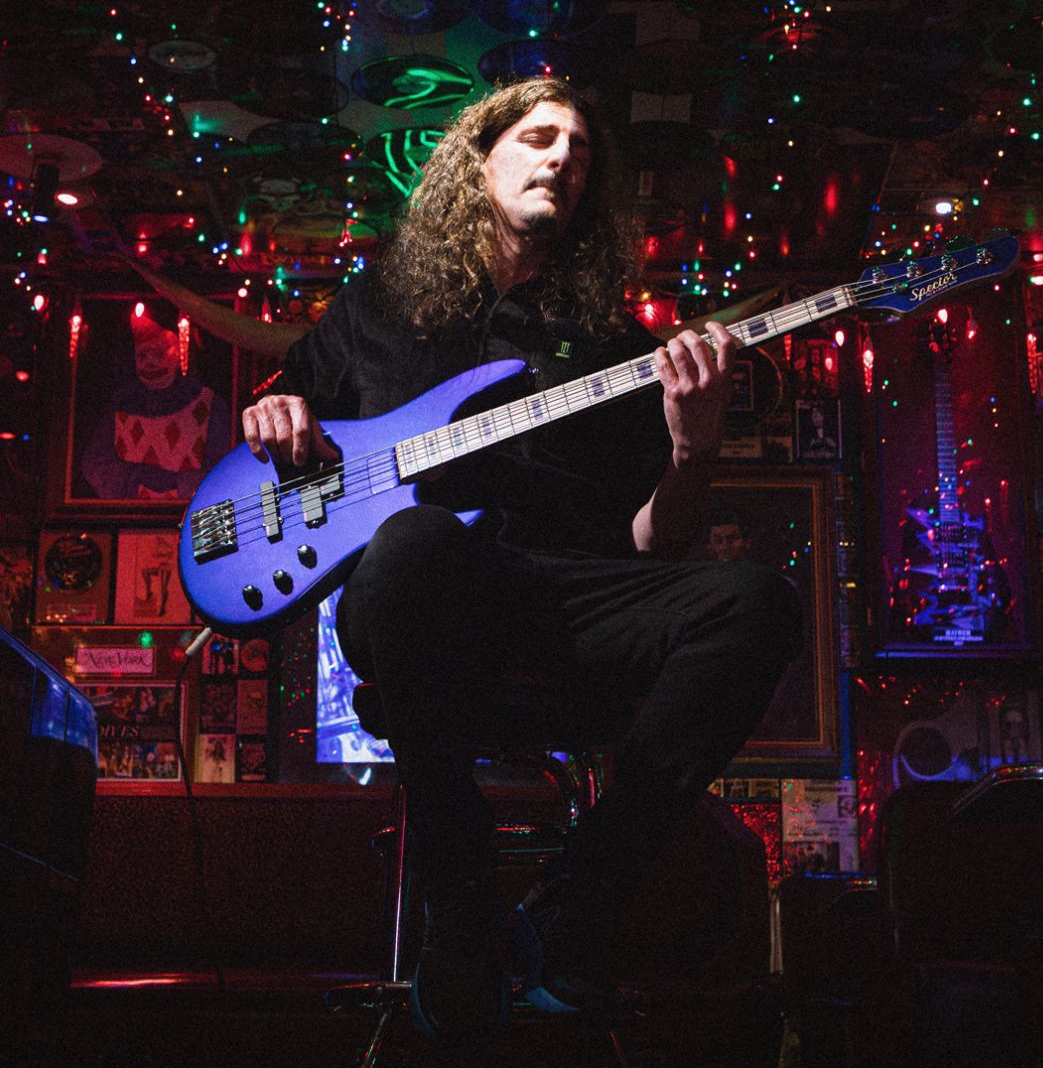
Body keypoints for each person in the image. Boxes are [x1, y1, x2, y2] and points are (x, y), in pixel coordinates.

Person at [241, 78, 802, 1044]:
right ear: (479, 158)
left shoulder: (617, 350)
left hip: (567, 603)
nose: (562, 159)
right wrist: (273, 417)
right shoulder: (378, 309)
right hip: (417, 603)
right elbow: (272, 426)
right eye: (540, 137)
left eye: (581, 150)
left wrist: (694, 449)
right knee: (416, 540)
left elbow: (652, 548)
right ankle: (457, 895)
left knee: (757, 601)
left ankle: (575, 902)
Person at [80, 309, 230, 500]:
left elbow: (224, 468)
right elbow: (94, 462)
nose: (149, 363)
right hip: (130, 521)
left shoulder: (208, 404)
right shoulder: (121, 406)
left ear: (177, 356)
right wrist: (135, 477)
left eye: (159, 354)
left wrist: (181, 483)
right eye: (142, 356)